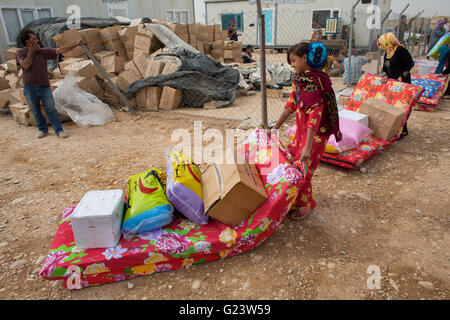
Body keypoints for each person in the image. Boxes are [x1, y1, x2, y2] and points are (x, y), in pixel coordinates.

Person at [271, 42, 341, 220]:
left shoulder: (314, 83)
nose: (292, 65)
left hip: (316, 135)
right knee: (295, 164)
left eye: (294, 60)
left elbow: (315, 118)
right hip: (303, 131)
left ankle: (306, 204)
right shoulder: (301, 80)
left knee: (304, 170)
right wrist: (275, 127)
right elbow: (291, 104)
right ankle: (295, 199)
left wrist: (307, 147)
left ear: (305, 58)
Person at [16, 29, 85, 139]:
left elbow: (60, 50)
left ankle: (59, 130)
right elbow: (25, 65)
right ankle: (42, 129)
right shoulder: (20, 53)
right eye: (34, 39)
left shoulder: (42, 52)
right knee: (36, 109)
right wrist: (31, 52)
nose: (37, 41)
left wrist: (76, 44)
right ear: (27, 42)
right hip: (30, 87)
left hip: (44, 87)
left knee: (51, 109)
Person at [378, 32, 414, 138]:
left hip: (402, 82)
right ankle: (393, 128)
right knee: (391, 105)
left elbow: (410, 64)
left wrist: (402, 75)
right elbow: (385, 67)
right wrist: (384, 74)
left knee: (401, 106)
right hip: (391, 83)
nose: (383, 47)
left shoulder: (401, 50)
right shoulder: (388, 52)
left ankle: (403, 130)